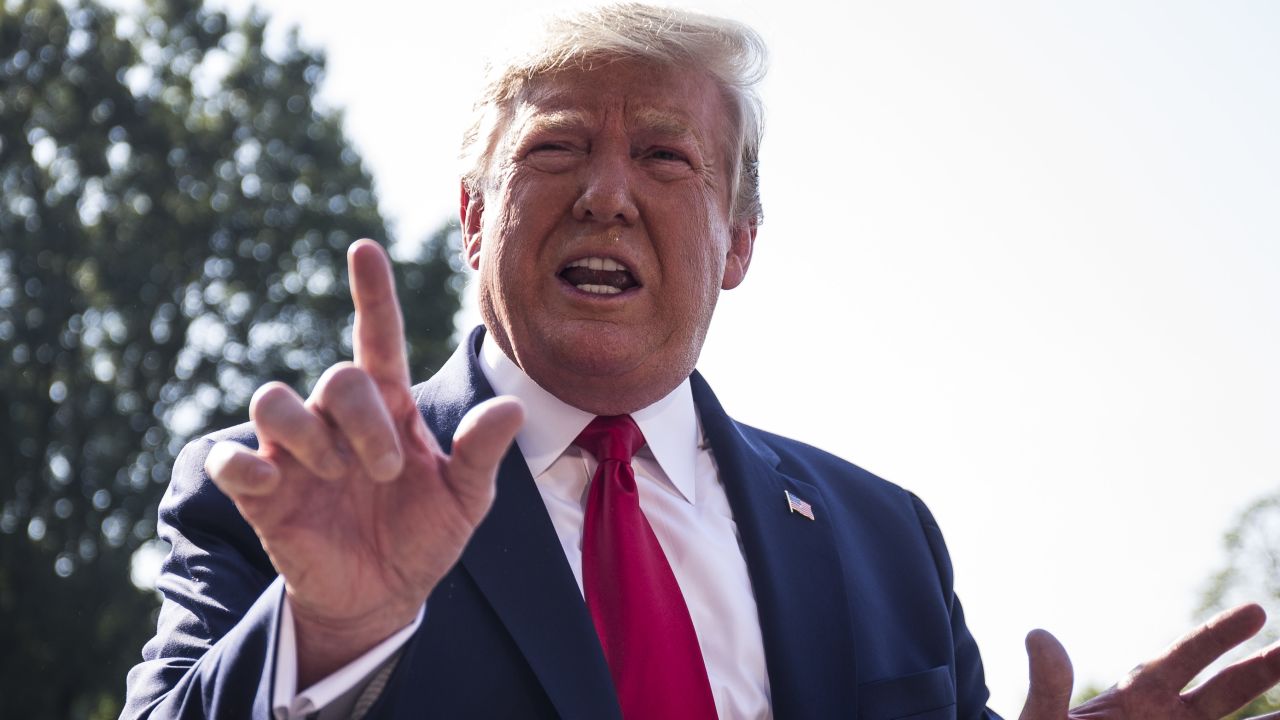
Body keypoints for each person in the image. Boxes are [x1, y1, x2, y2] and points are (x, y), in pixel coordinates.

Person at [122, 4, 1280, 719]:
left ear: (737, 244)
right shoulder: (280, 499)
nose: (607, 195)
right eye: (559, 147)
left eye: (666, 158)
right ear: (473, 219)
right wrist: (328, 639)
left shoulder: (886, 543)